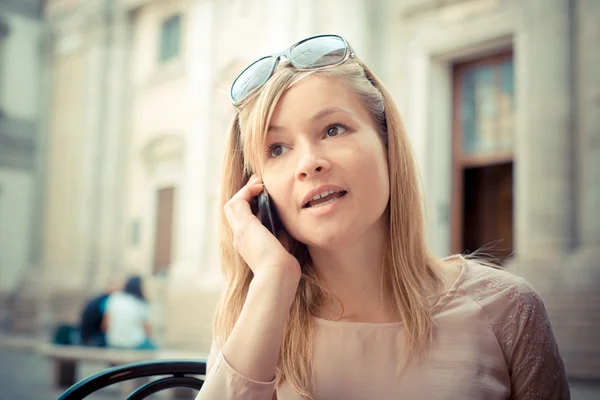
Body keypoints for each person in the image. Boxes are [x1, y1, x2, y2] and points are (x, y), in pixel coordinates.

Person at [197, 34, 570, 399]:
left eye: (333, 129)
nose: (309, 163)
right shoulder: (254, 318)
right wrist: (274, 279)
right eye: (277, 149)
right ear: (256, 192)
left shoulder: (508, 310)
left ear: (387, 145)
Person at [103, 275, 156, 350]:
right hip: (135, 343)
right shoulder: (141, 302)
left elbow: (105, 325)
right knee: (155, 349)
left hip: (113, 342)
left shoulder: (114, 297)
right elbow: (146, 328)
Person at [78, 281, 121, 347]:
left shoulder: (97, 298)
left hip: (84, 335)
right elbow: (104, 326)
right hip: (93, 339)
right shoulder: (107, 301)